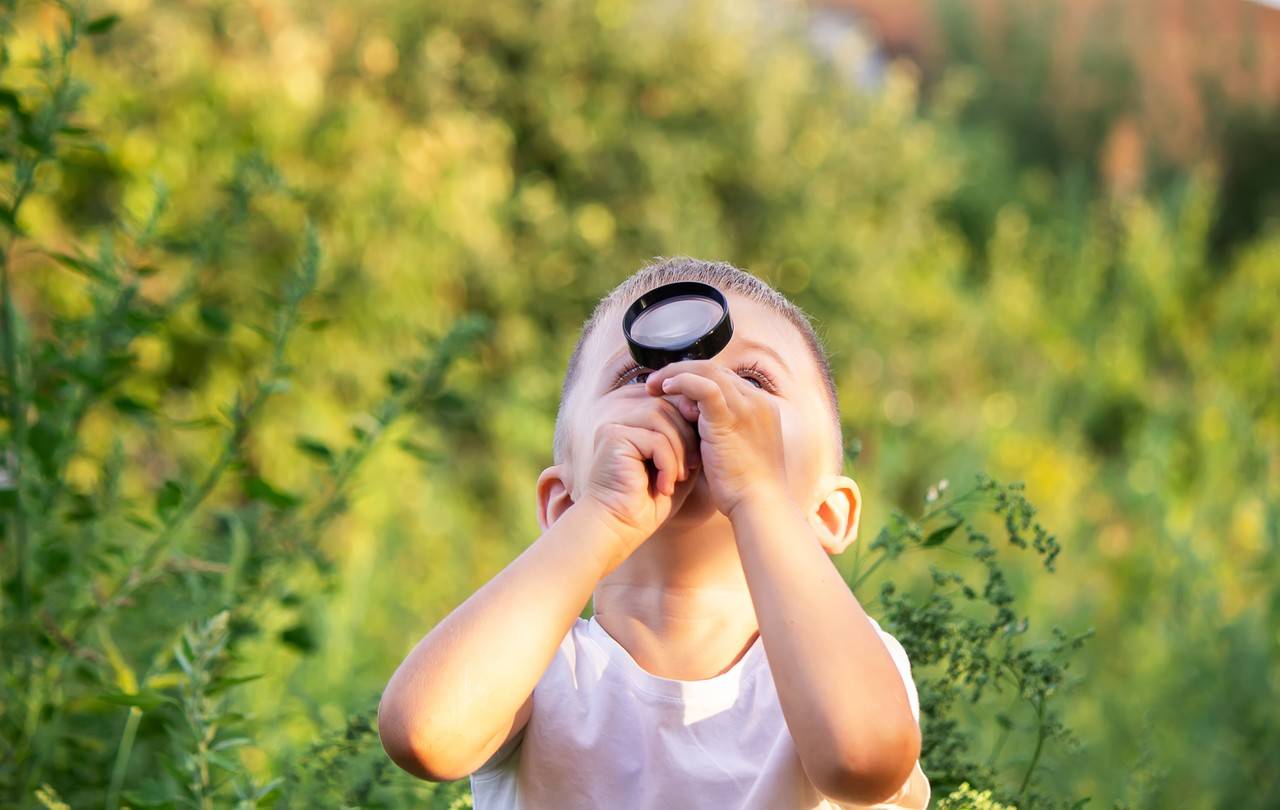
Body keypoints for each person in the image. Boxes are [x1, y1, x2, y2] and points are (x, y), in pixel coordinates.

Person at [378, 256, 931, 809]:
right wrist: (606, 515)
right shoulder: (534, 669)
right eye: (640, 376)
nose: (694, 391)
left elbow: (863, 761)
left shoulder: (849, 666)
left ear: (825, 514)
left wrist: (762, 498)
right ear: (565, 504)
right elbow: (424, 737)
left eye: (753, 380)